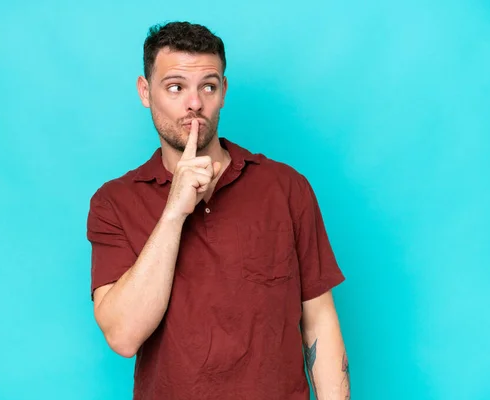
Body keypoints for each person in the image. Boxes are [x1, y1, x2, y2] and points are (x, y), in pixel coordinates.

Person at [87, 21, 350, 400]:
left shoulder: (286, 187)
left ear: (223, 91)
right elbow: (123, 336)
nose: (194, 103)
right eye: (175, 87)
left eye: (207, 86)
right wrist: (174, 212)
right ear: (145, 92)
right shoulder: (113, 203)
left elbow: (319, 322)